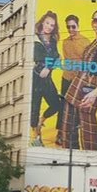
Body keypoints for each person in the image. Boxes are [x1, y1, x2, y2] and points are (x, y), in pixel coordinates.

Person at [60, 9, 97, 151]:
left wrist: (95, 93)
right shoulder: (92, 43)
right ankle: (71, 163)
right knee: (68, 128)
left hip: (89, 91)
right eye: (96, 20)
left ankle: (96, 162)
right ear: (92, 23)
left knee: (88, 130)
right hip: (75, 88)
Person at [57, 14, 89, 146]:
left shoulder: (85, 42)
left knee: (76, 107)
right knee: (63, 105)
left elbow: (87, 62)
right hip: (66, 77)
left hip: (78, 79)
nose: (71, 29)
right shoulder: (65, 42)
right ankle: (60, 134)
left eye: (73, 26)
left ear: (78, 26)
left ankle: (73, 134)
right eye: (68, 27)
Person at [30, 11, 62, 146]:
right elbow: (37, 58)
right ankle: (36, 137)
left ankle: (41, 121)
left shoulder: (53, 40)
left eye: (52, 25)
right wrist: (48, 65)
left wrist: (49, 67)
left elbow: (58, 57)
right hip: (36, 78)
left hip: (47, 79)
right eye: (47, 23)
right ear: (43, 22)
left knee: (57, 104)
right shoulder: (35, 38)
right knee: (34, 108)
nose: (49, 26)